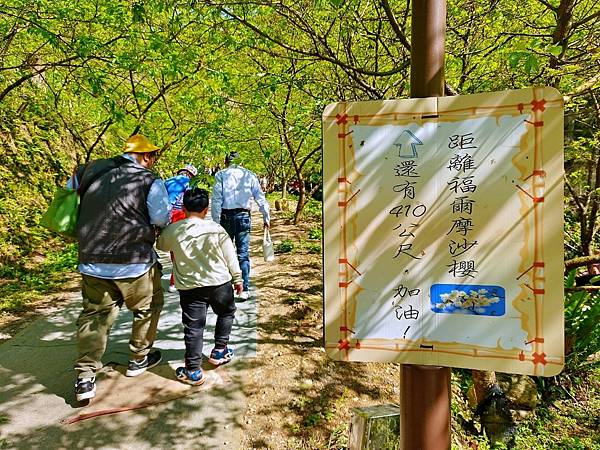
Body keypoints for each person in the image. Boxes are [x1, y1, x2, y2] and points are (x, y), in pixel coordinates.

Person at [72, 134, 171, 402]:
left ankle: (84, 377)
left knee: (94, 316)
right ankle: (139, 358)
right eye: (153, 157)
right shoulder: (149, 180)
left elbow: (72, 196)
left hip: (92, 260)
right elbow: (161, 217)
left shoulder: (89, 170)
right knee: (147, 308)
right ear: (147, 156)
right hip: (135, 262)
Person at [157, 187, 243, 385]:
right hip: (219, 283)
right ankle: (220, 351)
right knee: (226, 313)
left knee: (194, 327)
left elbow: (161, 246)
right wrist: (237, 279)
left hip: (190, 288)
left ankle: (193, 370)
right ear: (206, 210)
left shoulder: (175, 229)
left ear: (184, 208)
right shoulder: (216, 229)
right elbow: (231, 256)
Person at [211, 152, 270, 300]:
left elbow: (217, 199)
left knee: (223, 254)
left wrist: (215, 222)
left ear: (226, 162)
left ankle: (223, 289)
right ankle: (244, 289)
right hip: (243, 217)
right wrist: (266, 217)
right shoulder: (249, 175)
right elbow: (260, 197)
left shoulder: (221, 175)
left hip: (225, 217)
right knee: (242, 254)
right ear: (240, 161)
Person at [164, 164, 198, 292]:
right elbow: (191, 203)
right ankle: (175, 281)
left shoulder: (167, 181)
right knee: (182, 248)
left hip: (165, 215)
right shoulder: (190, 183)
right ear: (191, 174)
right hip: (180, 215)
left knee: (173, 248)